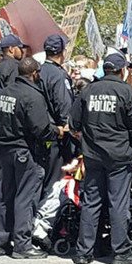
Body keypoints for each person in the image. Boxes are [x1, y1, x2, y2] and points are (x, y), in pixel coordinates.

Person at [69, 51, 132, 264]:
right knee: (118, 203)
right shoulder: (127, 92)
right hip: (119, 156)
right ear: (122, 70)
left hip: (93, 155)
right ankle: (121, 251)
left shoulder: (88, 90)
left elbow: (74, 123)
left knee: (91, 202)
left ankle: (83, 251)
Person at [0, 57, 62, 259]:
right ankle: (22, 244)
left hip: (4, 148)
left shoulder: (4, 92)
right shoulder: (32, 95)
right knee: (26, 196)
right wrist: (57, 131)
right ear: (34, 73)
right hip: (25, 151)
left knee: (5, 195)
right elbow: (40, 129)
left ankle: (1, 242)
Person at [0, 34, 26, 251]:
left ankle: (0, 238)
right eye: (20, 48)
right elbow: (13, 99)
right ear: (11, 49)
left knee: (1, 186)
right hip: (7, 134)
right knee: (13, 188)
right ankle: (14, 237)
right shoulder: (12, 68)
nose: (23, 51)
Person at [39, 35, 76, 200]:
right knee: (55, 182)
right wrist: (69, 125)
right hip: (57, 135)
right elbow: (64, 106)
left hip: (42, 130)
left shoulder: (38, 71)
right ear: (62, 52)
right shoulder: (58, 75)